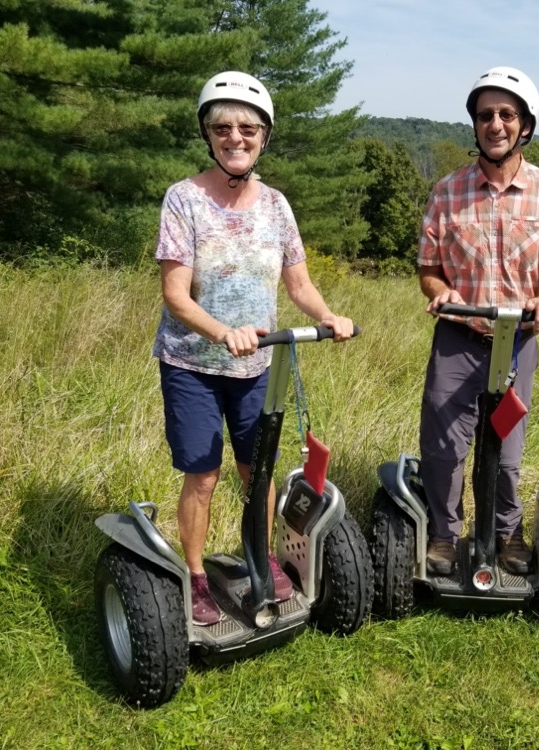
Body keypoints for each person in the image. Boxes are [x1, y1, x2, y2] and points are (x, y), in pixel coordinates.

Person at [152, 71, 354, 625]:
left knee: (257, 470)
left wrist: (328, 316)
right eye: (223, 127)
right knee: (204, 474)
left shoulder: (277, 206)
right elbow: (175, 296)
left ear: (264, 136)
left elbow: (299, 285)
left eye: (247, 128)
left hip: (258, 364)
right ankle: (195, 574)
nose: (235, 137)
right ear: (207, 134)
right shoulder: (183, 201)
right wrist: (222, 333)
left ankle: (260, 555)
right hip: (193, 363)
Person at [417, 66, 539, 576]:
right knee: (445, 447)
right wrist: (440, 290)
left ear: (525, 125)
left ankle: (507, 531)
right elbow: (428, 270)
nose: (495, 124)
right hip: (459, 333)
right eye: (486, 115)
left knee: (508, 452)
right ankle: (445, 536)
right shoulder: (447, 191)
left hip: (517, 340)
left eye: (507, 115)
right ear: (474, 125)